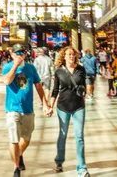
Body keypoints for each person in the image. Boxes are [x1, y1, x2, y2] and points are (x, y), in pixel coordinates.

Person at [3, 43, 49, 177]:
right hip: (12, 109)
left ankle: (19, 154)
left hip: (28, 108)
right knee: (14, 139)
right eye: (17, 53)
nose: (20, 55)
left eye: (22, 53)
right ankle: (16, 167)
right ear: (12, 54)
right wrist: (15, 66)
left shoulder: (31, 68)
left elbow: (38, 86)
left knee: (26, 138)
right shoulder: (7, 67)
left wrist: (45, 104)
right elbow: (6, 81)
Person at [48, 47, 89, 176]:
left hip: (79, 107)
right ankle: (59, 160)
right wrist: (50, 106)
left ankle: (81, 168)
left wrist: (84, 97)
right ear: (64, 56)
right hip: (63, 107)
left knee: (79, 137)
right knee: (63, 135)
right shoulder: (59, 71)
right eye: (69, 54)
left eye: (73, 54)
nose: (72, 56)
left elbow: (83, 86)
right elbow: (55, 90)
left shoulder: (81, 69)